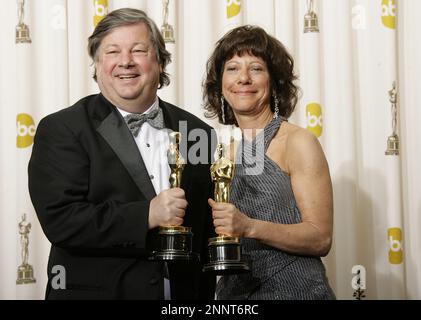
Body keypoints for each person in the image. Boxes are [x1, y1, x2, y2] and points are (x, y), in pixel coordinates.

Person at [28, 8, 215, 300]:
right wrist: (146, 215)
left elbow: (205, 228)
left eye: (139, 50)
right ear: (98, 63)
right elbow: (62, 220)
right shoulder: (63, 128)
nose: (125, 61)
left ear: (160, 61)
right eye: (112, 51)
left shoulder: (197, 131)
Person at [203, 25, 335, 300]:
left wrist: (249, 226)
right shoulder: (220, 151)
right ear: (220, 82)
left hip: (296, 291)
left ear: (274, 82)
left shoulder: (298, 142)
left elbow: (320, 238)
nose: (243, 78)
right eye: (233, 68)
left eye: (256, 68)